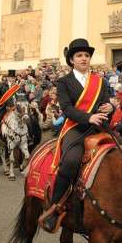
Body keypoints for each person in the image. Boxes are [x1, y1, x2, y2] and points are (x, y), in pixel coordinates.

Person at [38, 38, 112, 233]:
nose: (84, 58)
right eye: (79, 55)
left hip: (99, 128)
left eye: (87, 55)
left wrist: (109, 107)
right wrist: (89, 117)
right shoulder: (64, 82)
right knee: (71, 161)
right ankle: (54, 208)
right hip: (75, 129)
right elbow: (67, 109)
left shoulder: (100, 81)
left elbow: (105, 104)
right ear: (71, 60)